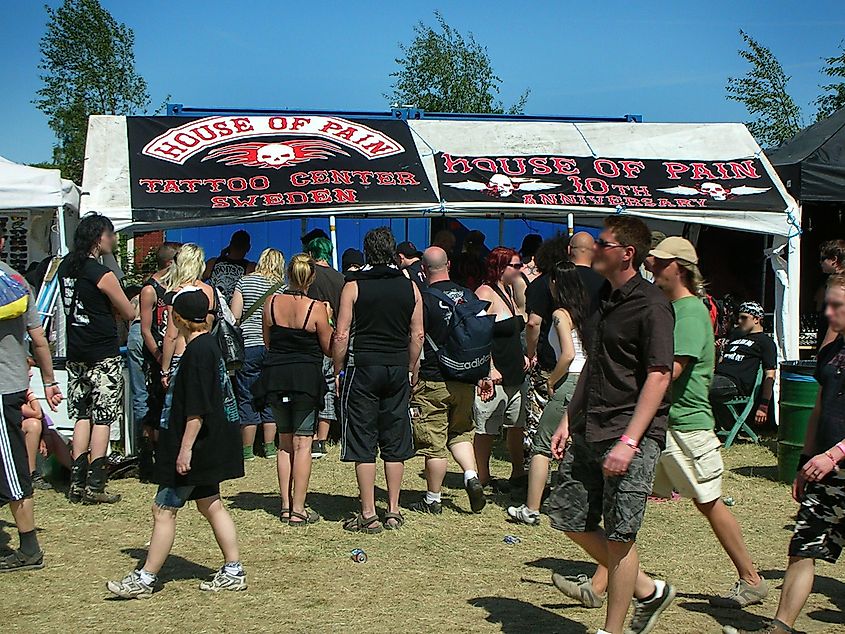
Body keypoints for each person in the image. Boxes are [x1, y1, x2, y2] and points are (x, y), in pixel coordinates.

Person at [555, 238, 769, 613]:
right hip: (655, 425)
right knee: (621, 510)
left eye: (659, 264)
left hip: (684, 426)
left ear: (680, 268)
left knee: (708, 502)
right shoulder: (669, 307)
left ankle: (751, 579)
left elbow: (667, 372)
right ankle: (600, 585)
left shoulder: (687, 312)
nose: (651, 270)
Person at [547, 216, 675, 634]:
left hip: (630, 431)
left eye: (602, 244)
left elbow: (659, 374)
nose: (594, 250)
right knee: (566, 514)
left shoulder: (652, 304)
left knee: (621, 536)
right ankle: (649, 589)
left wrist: (630, 441)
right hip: (592, 424)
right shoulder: (604, 296)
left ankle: (611, 630)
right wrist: (568, 418)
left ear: (627, 253)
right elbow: (594, 364)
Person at [723, 274, 845, 633]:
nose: (828, 311)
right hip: (825, 472)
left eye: (837, 305)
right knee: (802, 548)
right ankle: (781, 626)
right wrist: (806, 461)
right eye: (828, 304)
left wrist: (834, 455)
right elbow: (819, 409)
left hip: (835, 462)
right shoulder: (831, 352)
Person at [106, 288, 246, 598]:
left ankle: (145, 578)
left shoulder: (197, 354)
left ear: (177, 318)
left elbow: (196, 408)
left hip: (194, 447)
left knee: (163, 509)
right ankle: (233, 570)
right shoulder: (209, 347)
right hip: (211, 445)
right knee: (211, 504)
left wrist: (184, 451)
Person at [334, 227, 424, 533]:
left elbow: (342, 334)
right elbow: (418, 334)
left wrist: (337, 368)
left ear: (367, 251)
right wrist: (411, 366)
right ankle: (395, 509)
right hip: (397, 365)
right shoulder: (409, 286)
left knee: (363, 438)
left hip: (363, 366)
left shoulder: (354, 285)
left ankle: (369, 511)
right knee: (395, 437)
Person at [57, 214, 135, 505]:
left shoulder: (66, 266)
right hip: (102, 352)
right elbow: (127, 312)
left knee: (82, 415)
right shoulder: (100, 273)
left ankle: (75, 483)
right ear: (98, 238)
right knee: (102, 417)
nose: (114, 240)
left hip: (76, 352)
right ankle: (96, 484)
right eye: (110, 235)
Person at [408, 246, 491, 515]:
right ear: (449, 264)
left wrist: (412, 371)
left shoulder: (424, 298)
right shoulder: (468, 295)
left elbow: (418, 336)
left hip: (434, 378)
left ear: (423, 269)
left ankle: (433, 499)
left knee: (434, 443)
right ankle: (470, 475)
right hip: (466, 376)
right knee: (460, 432)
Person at [252, 255, 333, 525]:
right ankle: (299, 508)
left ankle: (286, 506)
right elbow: (329, 348)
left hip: (276, 377)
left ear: (288, 275)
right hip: (305, 380)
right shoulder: (317, 309)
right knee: (303, 444)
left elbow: (267, 342)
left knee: (284, 443)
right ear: (310, 279)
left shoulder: (271, 303)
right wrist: (329, 319)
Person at [508, 260, 588, 525]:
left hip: (570, 379)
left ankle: (531, 508)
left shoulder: (560, 315)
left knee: (543, 445)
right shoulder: (587, 311)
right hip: (588, 381)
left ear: (555, 283)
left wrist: (553, 379)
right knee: (575, 444)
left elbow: (568, 354)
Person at [0, 253, 63, 573]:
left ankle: (28, 548)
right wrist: (48, 381)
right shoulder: (17, 280)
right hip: (11, 383)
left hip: (2, 389)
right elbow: (38, 340)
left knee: (11, 470)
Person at [473, 247, 529, 492]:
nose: (519, 270)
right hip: (495, 375)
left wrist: (525, 355)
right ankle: (482, 476)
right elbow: (477, 334)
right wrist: (489, 368)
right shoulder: (484, 293)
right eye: (515, 266)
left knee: (516, 425)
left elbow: (521, 321)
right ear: (500, 266)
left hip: (515, 372)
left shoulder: (509, 290)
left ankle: (518, 472)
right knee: (487, 428)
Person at [230, 248, 286, 462]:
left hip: (249, 344)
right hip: (272, 346)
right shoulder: (282, 288)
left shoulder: (244, 282)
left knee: (247, 395)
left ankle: (247, 449)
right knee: (272, 396)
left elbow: (235, 317)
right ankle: (270, 446)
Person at [525, 235, 572, 457]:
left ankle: (537, 460)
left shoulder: (538, 286)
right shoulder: (582, 284)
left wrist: (530, 352)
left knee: (539, 421)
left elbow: (533, 322)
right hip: (578, 366)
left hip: (548, 358)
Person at [137, 243, 178, 478]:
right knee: (155, 405)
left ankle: (165, 456)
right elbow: (145, 329)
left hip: (172, 353)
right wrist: (159, 355)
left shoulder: (173, 288)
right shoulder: (150, 290)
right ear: (170, 263)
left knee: (168, 406)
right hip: (156, 356)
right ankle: (149, 457)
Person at [305, 236, 346, 460]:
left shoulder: (308, 277)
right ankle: (322, 438)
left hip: (310, 339)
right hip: (333, 339)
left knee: (310, 388)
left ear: (310, 254)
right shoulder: (341, 279)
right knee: (329, 387)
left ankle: (308, 433)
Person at [160, 244, 218, 396]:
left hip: (182, 353)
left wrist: (164, 370)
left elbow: (171, 335)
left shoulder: (175, 292)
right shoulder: (209, 291)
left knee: (179, 406)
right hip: (205, 352)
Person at [709, 301, 777, 427]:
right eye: (739, 317)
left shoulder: (765, 342)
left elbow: (770, 374)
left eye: (744, 318)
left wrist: (764, 404)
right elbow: (721, 363)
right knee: (692, 381)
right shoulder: (735, 337)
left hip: (735, 383)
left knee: (699, 386)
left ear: (757, 319)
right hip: (719, 378)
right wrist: (718, 353)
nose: (739, 321)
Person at [203, 229, 255, 303]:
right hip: (234, 312)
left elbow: (198, 280)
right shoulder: (250, 268)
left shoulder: (213, 263)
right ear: (248, 248)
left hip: (214, 309)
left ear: (230, 244)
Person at [568, 231, 606, 320]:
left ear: (569, 249)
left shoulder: (551, 279)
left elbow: (534, 321)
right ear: (594, 251)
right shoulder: (606, 283)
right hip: (594, 332)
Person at [816, 239, 845, 351]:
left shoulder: (838, 284)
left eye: (823, 259)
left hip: (835, 350)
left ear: (834, 259)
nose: (820, 262)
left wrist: (822, 351)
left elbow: (835, 324)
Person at [512, 233, 543, 316]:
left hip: (525, 320)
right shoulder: (546, 269)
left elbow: (520, 308)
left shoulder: (517, 270)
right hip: (541, 319)